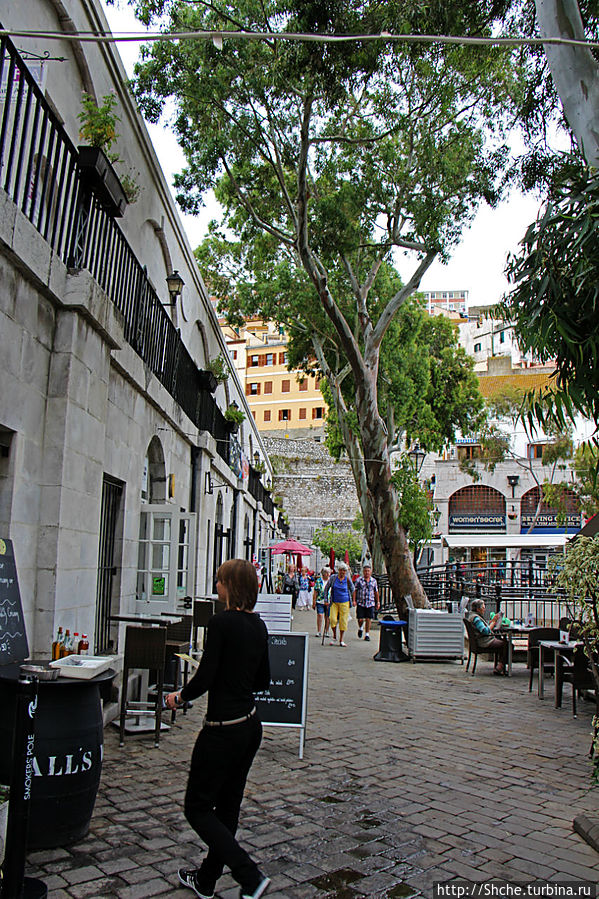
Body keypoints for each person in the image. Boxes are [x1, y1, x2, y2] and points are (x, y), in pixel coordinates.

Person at [166, 559, 271, 899]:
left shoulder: (221, 623)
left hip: (222, 730)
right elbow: (263, 680)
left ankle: (249, 875)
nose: (216, 587)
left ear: (232, 586)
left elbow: (205, 678)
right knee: (227, 809)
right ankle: (207, 880)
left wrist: (179, 696)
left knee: (197, 808)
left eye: (220, 581)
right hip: (250, 726)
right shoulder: (259, 626)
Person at [467, 597, 508, 676]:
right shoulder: (476, 619)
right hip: (484, 642)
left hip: (482, 640)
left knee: (504, 643)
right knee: (507, 645)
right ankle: (500, 666)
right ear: (478, 609)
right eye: (483, 608)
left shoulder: (472, 616)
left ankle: (500, 665)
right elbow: (485, 631)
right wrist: (494, 622)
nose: (484, 609)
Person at [324, 562, 355, 647]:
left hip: (345, 602)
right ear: (338, 570)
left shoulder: (347, 579)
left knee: (343, 621)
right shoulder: (333, 578)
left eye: (344, 571)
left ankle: (341, 639)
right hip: (334, 602)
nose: (342, 572)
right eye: (341, 570)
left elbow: (353, 589)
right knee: (332, 619)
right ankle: (334, 636)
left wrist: (354, 600)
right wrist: (326, 600)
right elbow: (326, 588)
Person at [354, 563, 379, 642]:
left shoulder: (373, 581)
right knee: (360, 619)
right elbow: (355, 590)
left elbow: (376, 592)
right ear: (363, 572)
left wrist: (377, 602)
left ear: (370, 572)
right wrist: (354, 600)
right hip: (361, 602)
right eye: (365, 571)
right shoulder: (359, 580)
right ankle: (361, 628)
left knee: (369, 618)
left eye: (368, 571)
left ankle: (367, 634)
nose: (367, 572)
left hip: (370, 602)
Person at [312, 566, 331, 637]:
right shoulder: (319, 581)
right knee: (320, 615)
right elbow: (315, 592)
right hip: (320, 601)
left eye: (329, 572)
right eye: (326, 572)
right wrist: (314, 602)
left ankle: (326, 631)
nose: (328, 574)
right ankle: (319, 631)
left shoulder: (331, 581)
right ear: (323, 573)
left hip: (329, 601)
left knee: (327, 617)